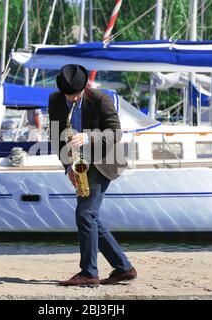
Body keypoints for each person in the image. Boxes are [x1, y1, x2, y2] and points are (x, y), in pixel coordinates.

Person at [48, 64, 137, 287]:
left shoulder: (101, 99)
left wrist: (87, 137)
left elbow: (116, 132)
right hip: (79, 163)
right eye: (69, 96)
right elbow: (57, 137)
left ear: (84, 87)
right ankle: (123, 268)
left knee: (85, 215)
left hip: (102, 162)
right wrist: (68, 166)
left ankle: (89, 273)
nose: (72, 100)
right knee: (91, 217)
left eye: (76, 96)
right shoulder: (55, 100)